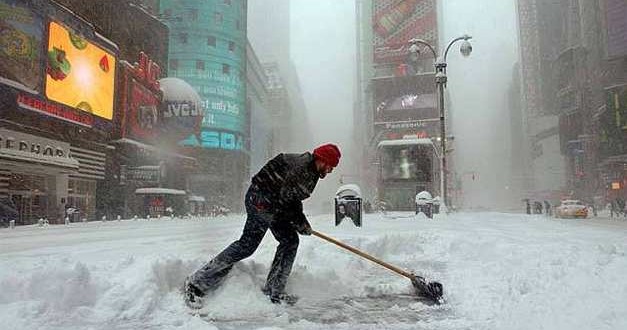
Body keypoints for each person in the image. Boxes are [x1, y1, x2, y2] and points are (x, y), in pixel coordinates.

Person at [184, 143, 341, 307]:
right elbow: (287, 198)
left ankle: (274, 291)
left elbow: (294, 199)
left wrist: (301, 222)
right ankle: (197, 282)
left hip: (274, 203)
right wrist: (299, 222)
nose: (330, 170)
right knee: (247, 245)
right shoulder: (301, 167)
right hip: (261, 200)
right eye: (330, 166)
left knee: (290, 240)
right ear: (322, 160)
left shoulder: (310, 170)